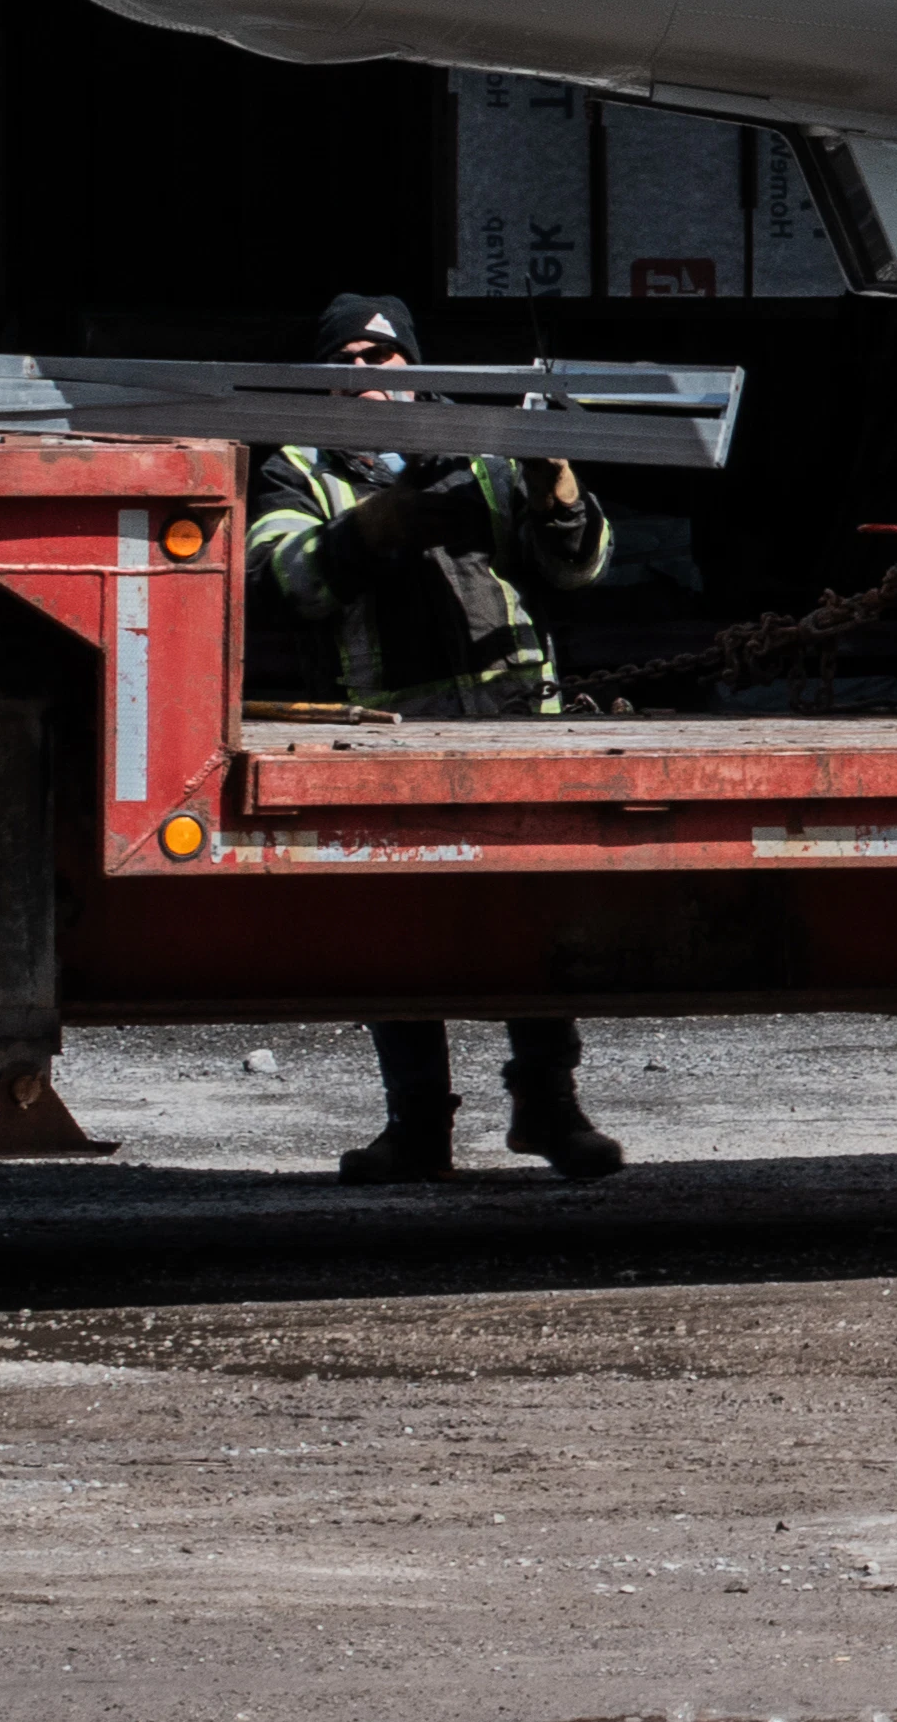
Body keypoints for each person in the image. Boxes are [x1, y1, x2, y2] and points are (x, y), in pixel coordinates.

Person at [248, 293, 625, 1183]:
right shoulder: (295, 467)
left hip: (515, 727)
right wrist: (360, 534)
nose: (364, 369)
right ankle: (418, 1125)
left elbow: (577, 565)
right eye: (344, 356)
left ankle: (548, 1108)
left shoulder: (488, 446)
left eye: (381, 355)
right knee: (402, 931)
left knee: (530, 922)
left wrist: (556, 486)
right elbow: (278, 581)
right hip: (385, 735)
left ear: (414, 368)